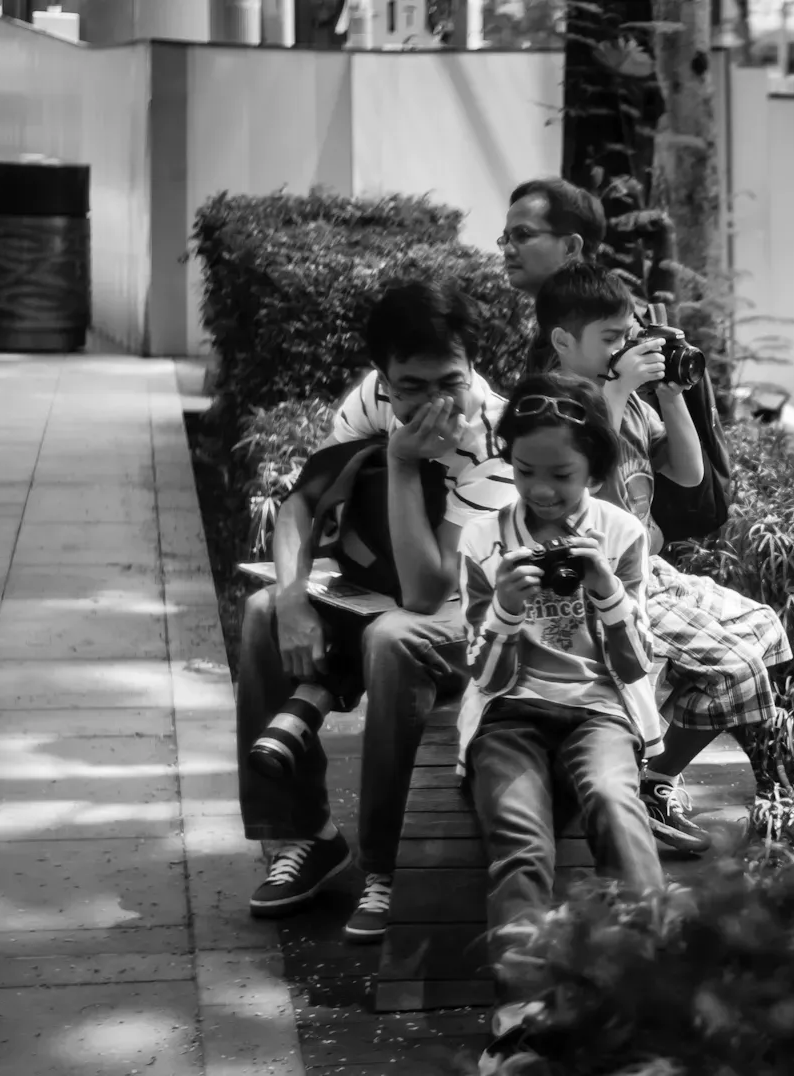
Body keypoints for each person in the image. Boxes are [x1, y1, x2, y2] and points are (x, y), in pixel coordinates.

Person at [238, 278, 515, 941]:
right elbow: (302, 505)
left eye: (446, 382)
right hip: (378, 586)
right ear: (386, 376)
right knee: (261, 612)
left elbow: (430, 593)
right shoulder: (374, 396)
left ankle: (385, 867)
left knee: (392, 638)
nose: (428, 403)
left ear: (471, 364)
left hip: (474, 612)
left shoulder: (499, 444)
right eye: (409, 387)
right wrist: (293, 598)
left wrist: (397, 461)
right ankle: (304, 837)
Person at [527, 258, 793, 855]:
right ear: (564, 341)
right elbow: (577, 492)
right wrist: (616, 390)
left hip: (650, 570)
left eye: (630, 335)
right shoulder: (555, 403)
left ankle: (653, 775)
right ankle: (650, 775)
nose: (627, 349)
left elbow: (688, 473)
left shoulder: (635, 401)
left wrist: (675, 395)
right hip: (594, 584)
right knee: (736, 669)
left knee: (766, 631)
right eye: (612, 339)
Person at [458, 371, 665, 1073]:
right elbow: (482, 676)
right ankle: (518, 1019)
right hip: (509, 712)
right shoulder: (484, 537)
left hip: (598, 709)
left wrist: (606, 588)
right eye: (523, 471)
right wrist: (506, 609)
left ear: (597, 471)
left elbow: (635, 667)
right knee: (520, 837)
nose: (542, 491)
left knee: (614, 799)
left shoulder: (621, 532)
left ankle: (645, 1001)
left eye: (563, 476)